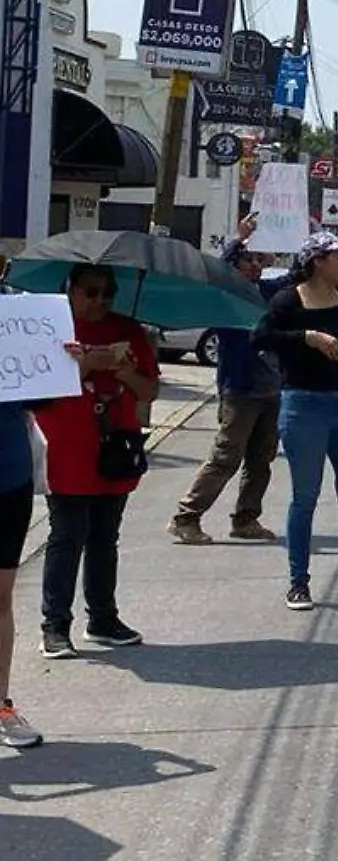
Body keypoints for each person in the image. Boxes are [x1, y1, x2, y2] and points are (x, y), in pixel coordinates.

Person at [253, 232, 338, 612]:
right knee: (306, 498)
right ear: (318, 261)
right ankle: (298, 581)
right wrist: (307, 337)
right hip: (303, 406)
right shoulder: (289, 299)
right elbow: (261, 337)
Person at [34, 264, 159, 659]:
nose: (100, 300)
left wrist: (123, 371)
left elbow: (149, 391)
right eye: (91, 292)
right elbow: (36, 388)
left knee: (105, 538)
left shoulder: (128, 329)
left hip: (115, 450)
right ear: (70, 291)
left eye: (108, 293)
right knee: (67, 537)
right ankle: (55, 625)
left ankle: (102, 618)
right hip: (66, 449)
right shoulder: (50, 326)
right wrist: (84, 365)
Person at [170, 214, 290, 544]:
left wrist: (304, 241)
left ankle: (246, 519)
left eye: (257, 259)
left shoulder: (266, 292)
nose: (254, 264)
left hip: (270, 387)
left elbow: (298, 276)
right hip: (239, 389)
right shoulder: (226, 295)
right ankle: (187, 516)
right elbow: (217, 272)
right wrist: (238, 238)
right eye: (247, 259)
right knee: (226, 457)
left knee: (260, 460)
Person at [0, 400, 42, 746]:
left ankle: (0, 706)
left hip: (10, 481)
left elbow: (46, 397)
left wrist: (68, 361)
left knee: (0, 599)